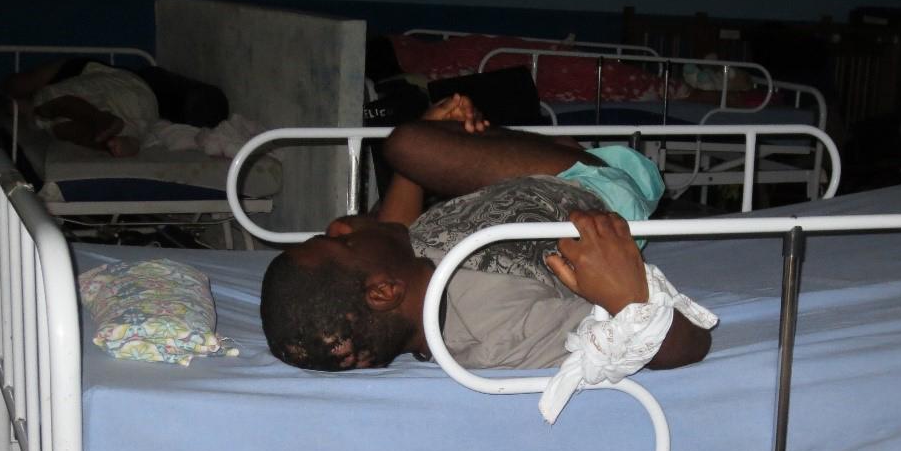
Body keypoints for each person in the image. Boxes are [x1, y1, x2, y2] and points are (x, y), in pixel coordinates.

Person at [260, 94, 713, 373]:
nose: (339, 225)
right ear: (382, 291)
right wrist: (625, 300)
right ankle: (559, 151)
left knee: (413, 153)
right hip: (600, 195)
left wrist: (422, 162)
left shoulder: (414, 273)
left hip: (539, 181)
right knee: (406, 144)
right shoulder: (494, 331)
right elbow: (687, 345)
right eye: (338, 240)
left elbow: (395, 228)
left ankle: (551, 148)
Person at [5, 57, 229, 157]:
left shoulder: (68, 76)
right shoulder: (90, 77)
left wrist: (26, 105)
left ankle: (106, 131)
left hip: (134, 98)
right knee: (59, 127)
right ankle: (113, 140)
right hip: (144, 110)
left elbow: (21, 86)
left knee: (49, 107)